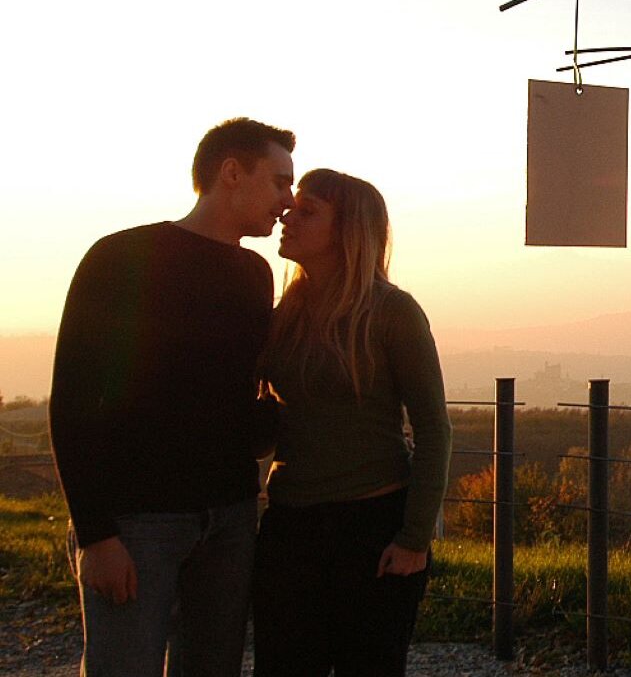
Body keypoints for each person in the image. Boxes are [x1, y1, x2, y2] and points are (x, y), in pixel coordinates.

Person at [50, 117, 297, 677]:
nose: (288, 199)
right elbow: (71, 402)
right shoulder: (121, 258)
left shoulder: (257, 273)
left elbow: (236, 398)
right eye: (280, 181)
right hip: (137, 524)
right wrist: (96, 536)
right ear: (232, 172)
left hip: (230, 521)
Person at [252, 169, 451, 677]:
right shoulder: (283, 315)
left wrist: (413, 539)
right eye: (292, 206)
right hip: (289, 526)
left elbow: (433, 429)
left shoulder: (392, 313)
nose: (287, 217)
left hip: (372, 528)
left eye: (308, 210)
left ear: (348, 232)